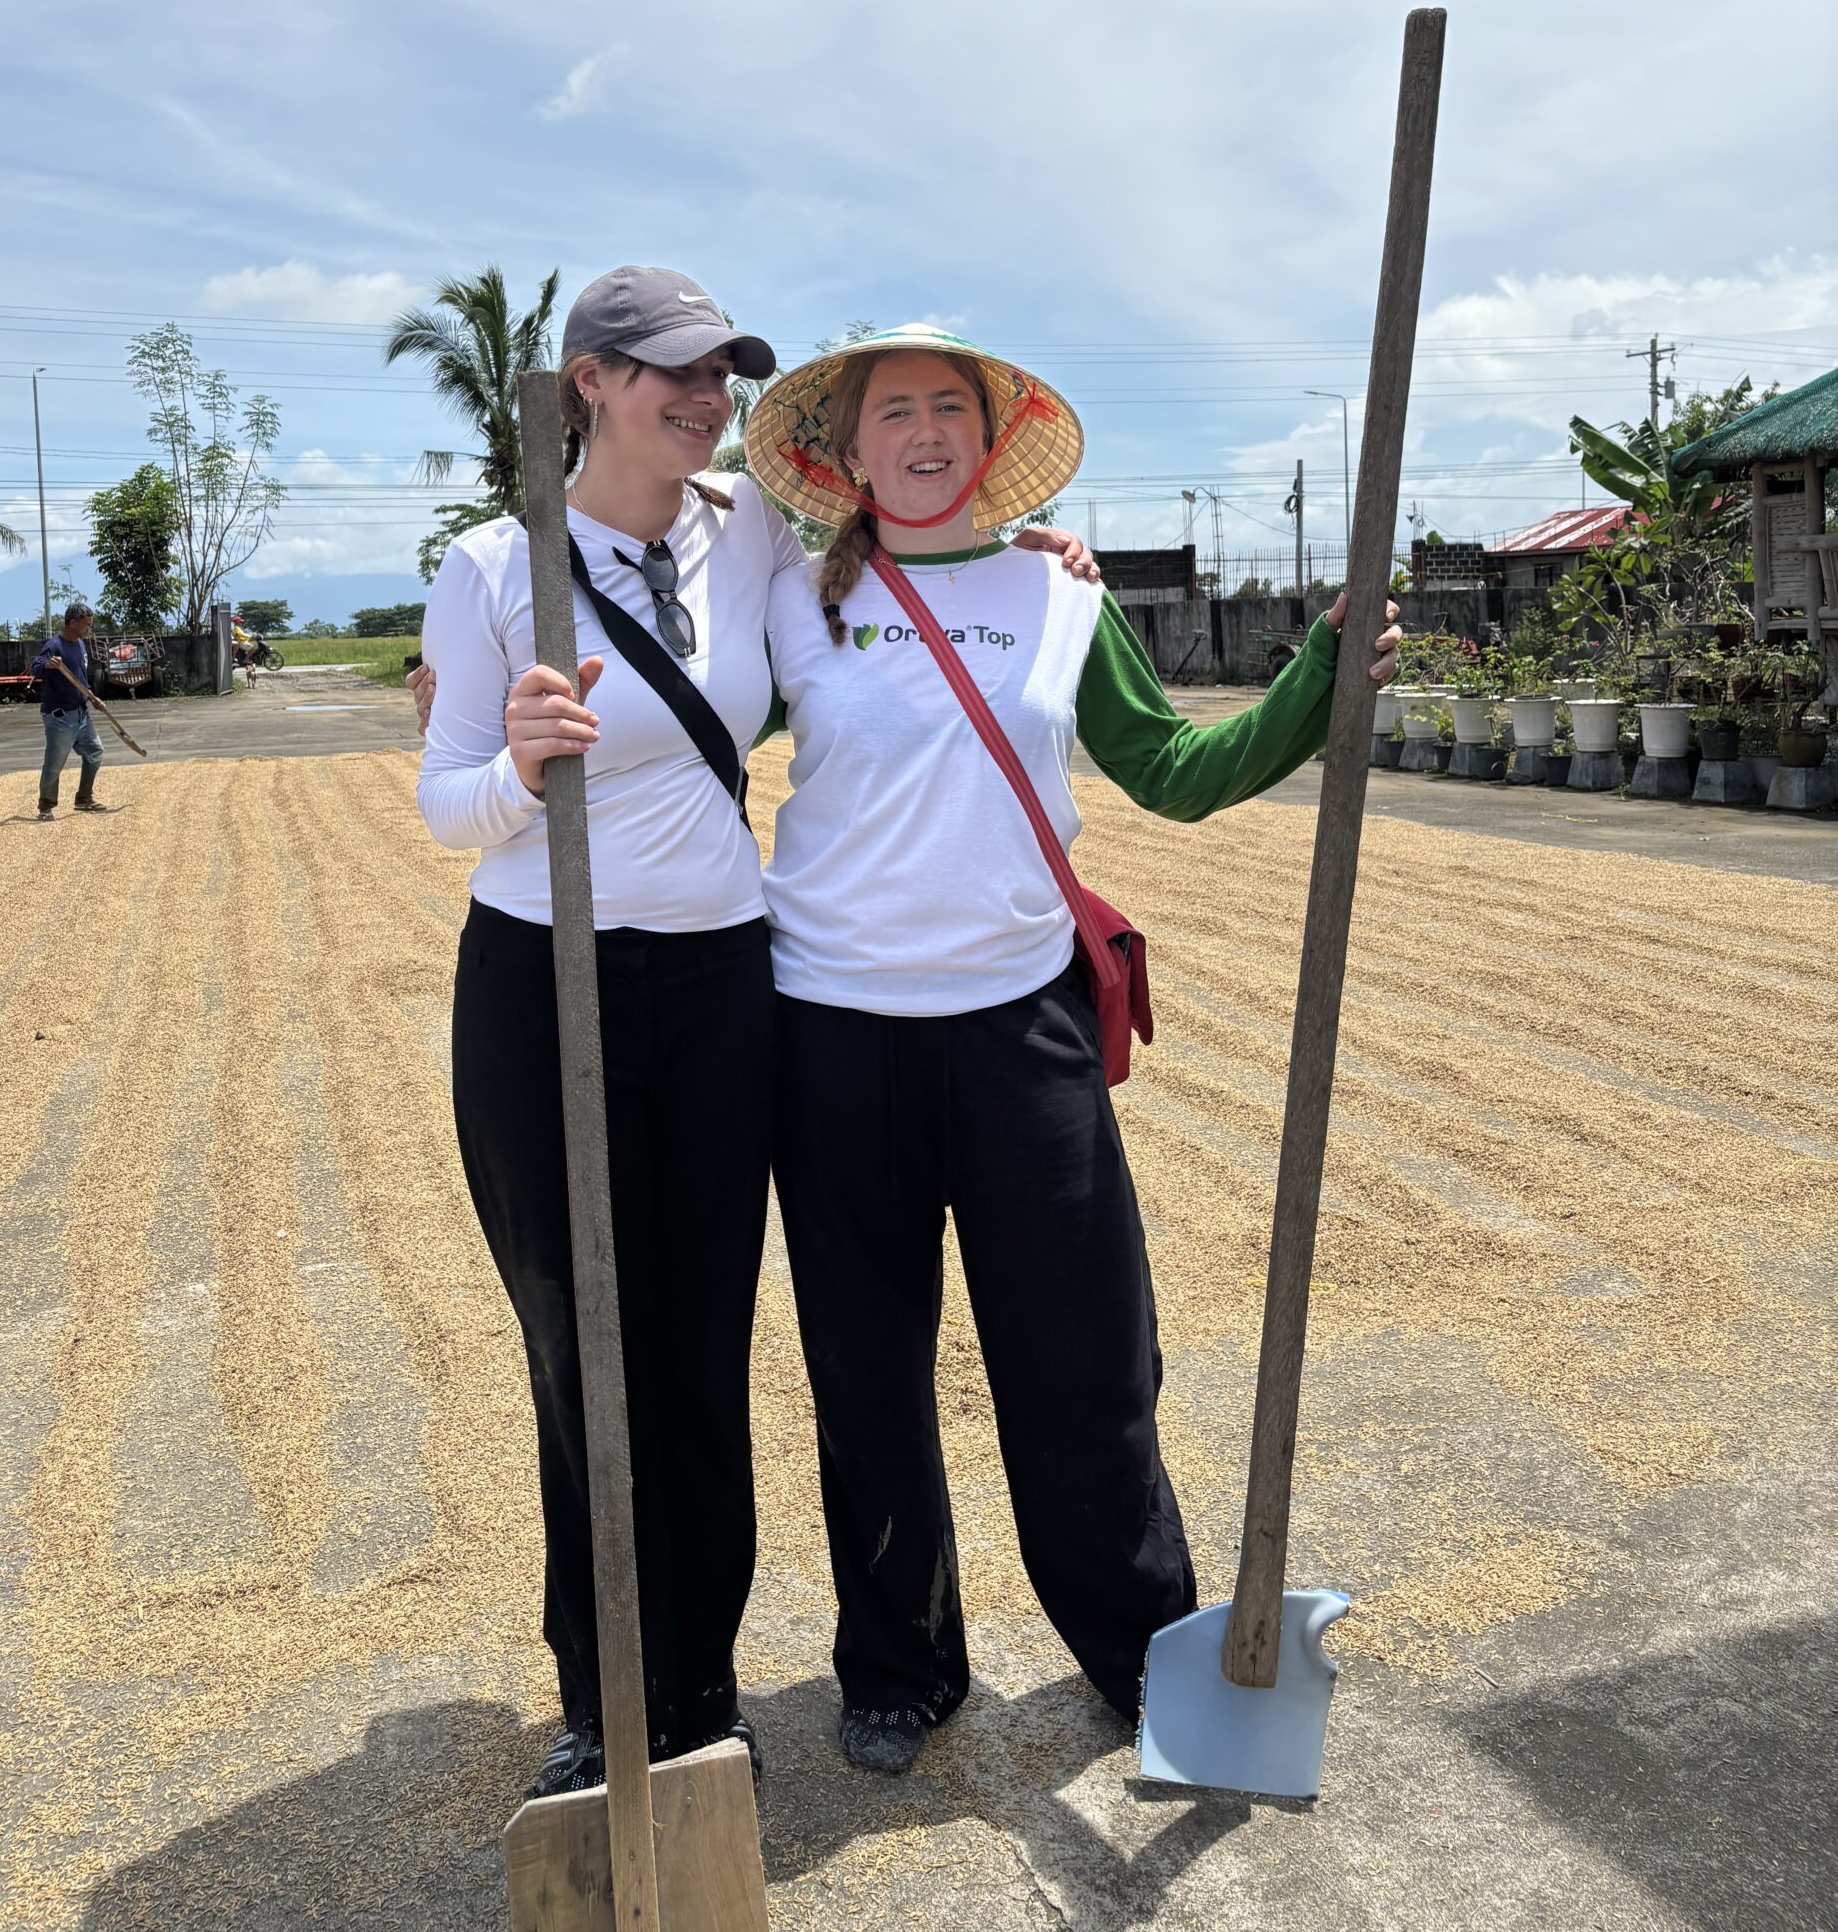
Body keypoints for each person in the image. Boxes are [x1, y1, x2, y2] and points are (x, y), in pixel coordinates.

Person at [413, 265, 1097, 1803]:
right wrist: (519, 765)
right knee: (583, 1346)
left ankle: (701, 1687)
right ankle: (605, 1692)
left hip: (727, 983)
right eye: (667, 370)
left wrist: (1040, 561)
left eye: (719, 372)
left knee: (703, 1347)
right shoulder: (490, 564)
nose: (702, 395)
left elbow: (905, 575)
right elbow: (444, 795)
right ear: (587, 381)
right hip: (544, 980)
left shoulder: (759, 536)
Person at [744, 327, 1402, 1774]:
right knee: (866, 1372)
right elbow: (685, 724)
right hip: (831, 1035)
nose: (921, 432)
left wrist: (1319, 676)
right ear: (845, 455)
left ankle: (1146, 1657)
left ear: (989, 440)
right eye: (890, 413)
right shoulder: (792, 599)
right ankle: (901, 1665)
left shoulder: (1059, 595)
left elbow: (1171, 769)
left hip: (1018, 1030)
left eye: (947, 410)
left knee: (1089, 1360)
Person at [32, 602, 110, 819]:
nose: (89, 629)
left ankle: (84, 798)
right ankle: (46, 806)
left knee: (95, 751)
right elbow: (36, 667)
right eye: (86, 624)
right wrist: (48, 664)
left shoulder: (81, 646)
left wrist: (92, 698)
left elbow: (80, 678)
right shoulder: (54, 645)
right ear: (73, 623)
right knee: (55, 761)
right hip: (60, 717)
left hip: (81, 713)